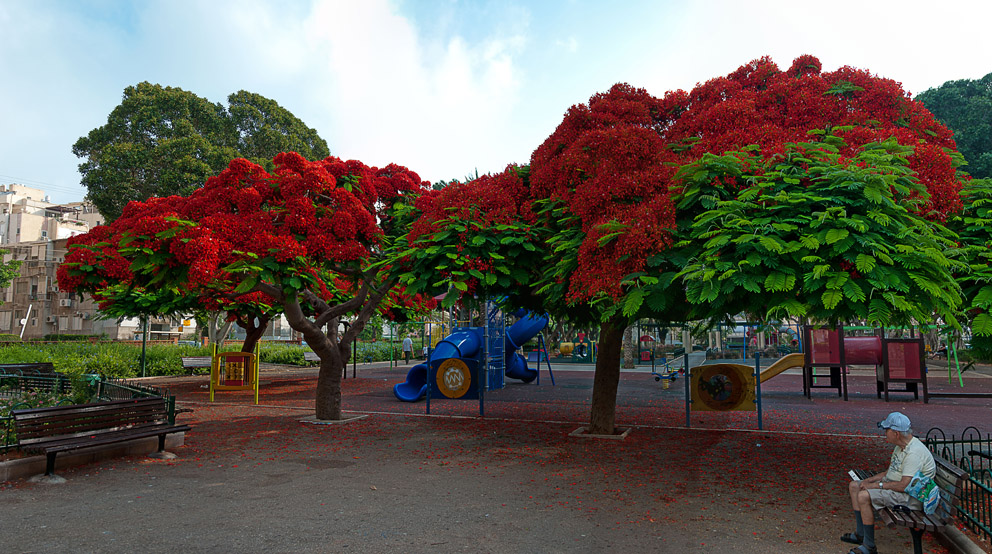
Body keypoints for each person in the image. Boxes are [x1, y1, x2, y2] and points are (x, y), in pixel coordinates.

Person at [842, 412, 936, 554]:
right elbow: (890, 473)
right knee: (855, 486)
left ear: (896, 433)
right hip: (898, 488)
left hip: (911, 498)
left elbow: (904, 485)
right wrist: (868, 480)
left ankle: (869, 546)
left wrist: (875, 486)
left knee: (863, 496)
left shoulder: (914, 453)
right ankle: (861, 534)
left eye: (887, 430)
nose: (885, 433)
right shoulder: (901, 446)